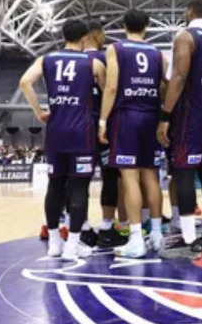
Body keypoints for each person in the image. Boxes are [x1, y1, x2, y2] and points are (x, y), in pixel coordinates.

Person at [19, 19, 105, 260]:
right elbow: (108, 92)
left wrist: (39, 112)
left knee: (55, 185)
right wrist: (103, 122)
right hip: (82, 133)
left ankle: (55, 243)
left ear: (63, 36)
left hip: (55, 132)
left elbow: (24, 82)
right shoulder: (94, 63)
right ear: (84, 38)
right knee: (79, 187)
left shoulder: (45, 59)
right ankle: (73, 246)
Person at [156, 0, 202, 259]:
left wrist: (165, 114)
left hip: (191, 114)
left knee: (184, 172)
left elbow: (180, 75)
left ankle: (188, 239)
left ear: (189, 12)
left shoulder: (185, 36)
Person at [99, 9, 167, 257]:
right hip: (151, 115)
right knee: (151, 175)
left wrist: (102, 120)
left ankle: (136, 239)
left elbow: (111, 86)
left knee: (129, 176)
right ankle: (157, 234)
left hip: (126, 116)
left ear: (123, 26)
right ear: (146, 27)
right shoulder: (159, 54)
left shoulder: (116, 49)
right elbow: (163, 87)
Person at [83, 20, 126, 249]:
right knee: (111, 176)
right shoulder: (103, 59)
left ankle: (80, 228)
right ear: (98, 35)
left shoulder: (68, 59)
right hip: (102, 126)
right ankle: (108, 228)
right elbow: (110, 90)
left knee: (77, 179)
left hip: (75, 127)